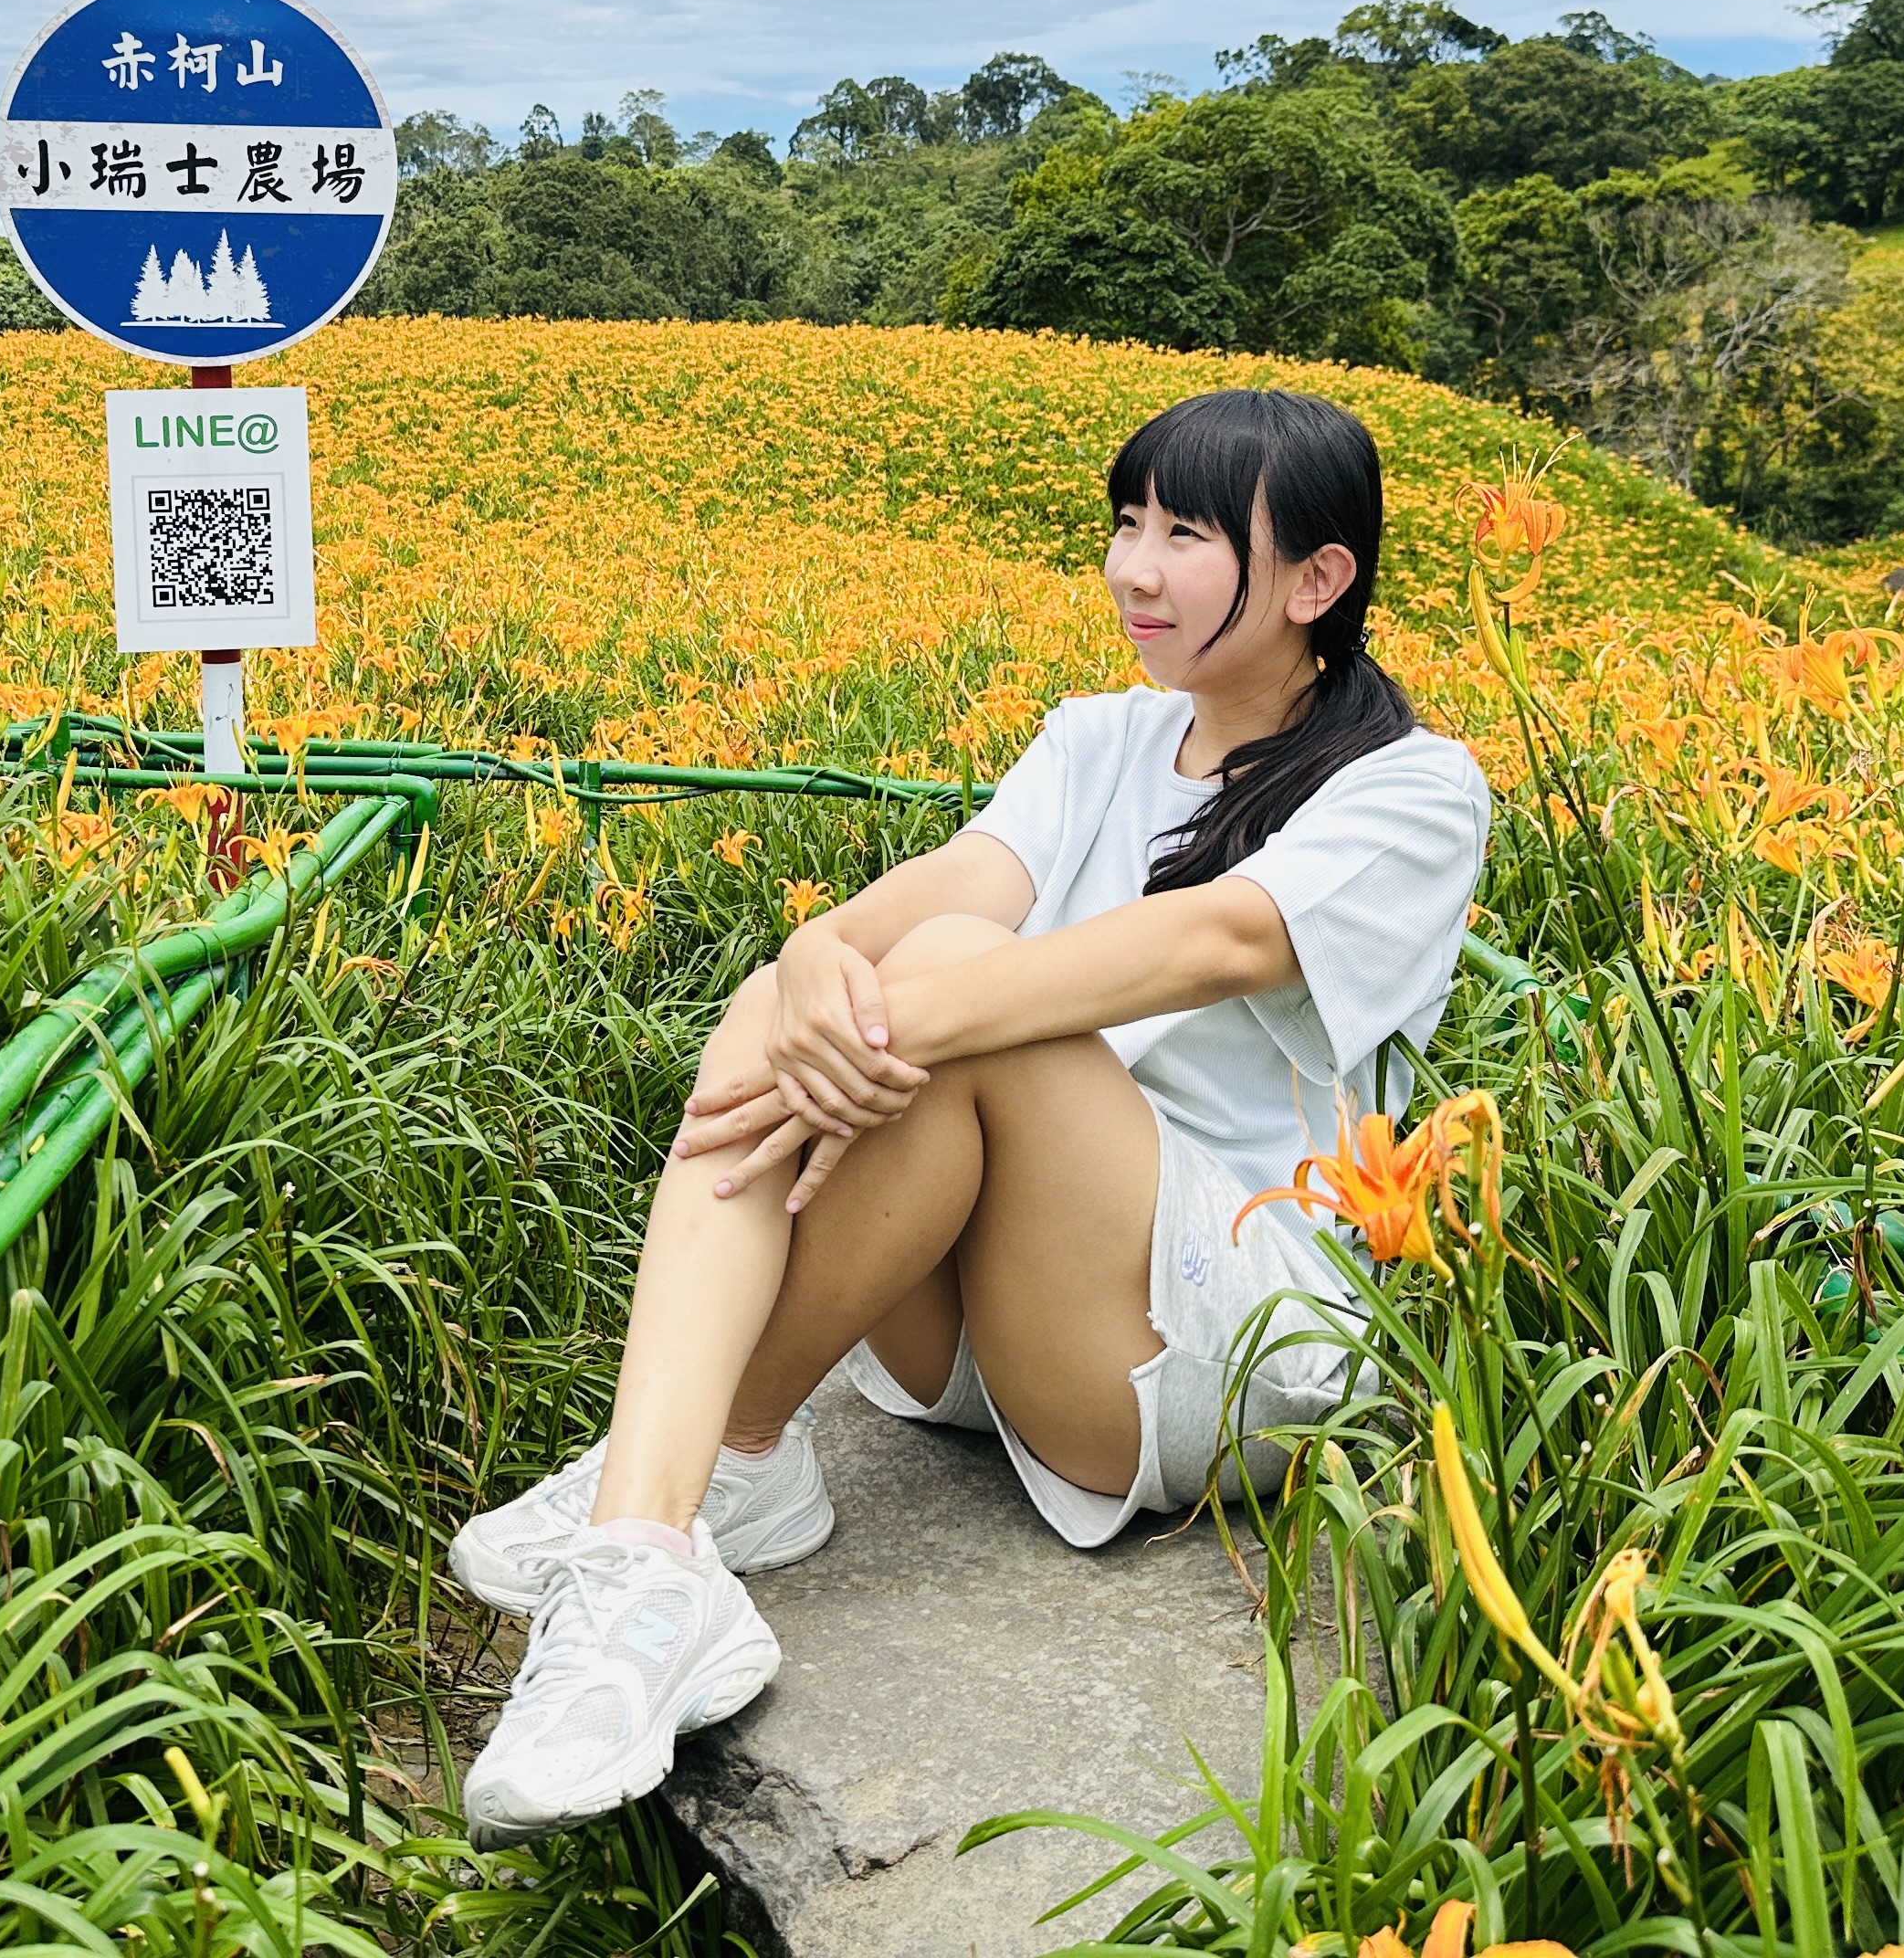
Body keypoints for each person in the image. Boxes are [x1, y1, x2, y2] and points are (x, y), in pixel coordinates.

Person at [446, 386, 1492, 1841]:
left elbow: (1214, 943)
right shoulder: (1098, 740)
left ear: (1319, 580)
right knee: (829, 986)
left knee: (937, 989)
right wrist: (803, 965)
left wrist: (848, 999)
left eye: (1188, 534)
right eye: (1128, 524)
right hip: (1008, 1329)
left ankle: (685, 1478)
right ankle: (675, 1524)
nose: (1134, 568)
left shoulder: (1413, 787)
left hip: (1225, 1345)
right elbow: (923, 906)